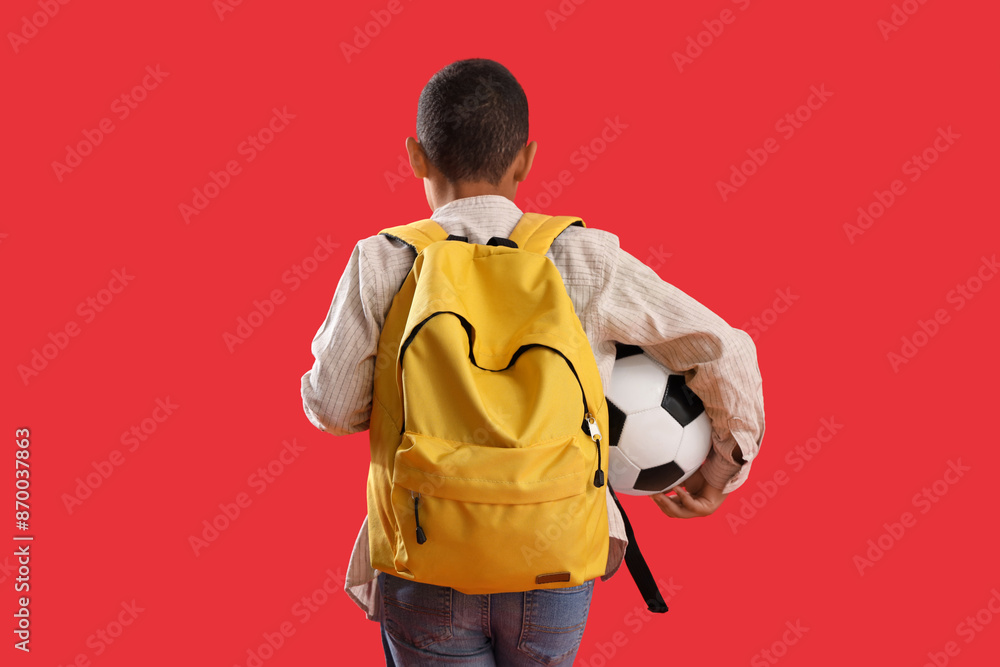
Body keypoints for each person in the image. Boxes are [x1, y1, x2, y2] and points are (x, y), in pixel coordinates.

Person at [300, 57, 765, 666]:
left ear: (416, 156)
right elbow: (725, 347)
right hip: (555, 553)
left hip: (423, 548)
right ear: (525, 158)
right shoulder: (584, 258)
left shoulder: (381, 260)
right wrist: (722, 468)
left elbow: (331, 410)